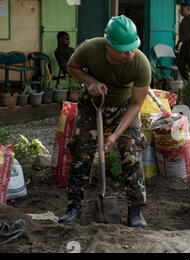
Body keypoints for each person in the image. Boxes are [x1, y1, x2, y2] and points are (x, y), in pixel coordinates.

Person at [58, 15, 152, 228]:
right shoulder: (90, 49)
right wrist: (90, 82)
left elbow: (136, 105)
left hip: (124, 108)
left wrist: (115, 136)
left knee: (131, 152)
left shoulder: (140, 64)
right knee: (81, 150)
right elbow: (72, 67)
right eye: (124, 48)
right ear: (109, 45)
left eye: (133, 47)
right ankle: (74, 206)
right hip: (92, 104)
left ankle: (136, 210)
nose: (130, 53)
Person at [175, 0, 190, 80]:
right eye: (180, 10)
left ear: (188, 10)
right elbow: (183, 33)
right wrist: (178, 43)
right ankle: (188, 79)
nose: (181, 12)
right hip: (184, 45)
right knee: (180, 63)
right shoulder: (184, 20)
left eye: (182, 10)